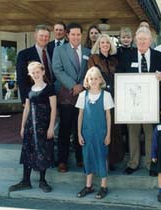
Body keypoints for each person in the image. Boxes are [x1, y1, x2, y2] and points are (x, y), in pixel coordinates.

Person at [121, 27, 161, 176]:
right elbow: (120, 77)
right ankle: (133, 163)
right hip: (132, 102)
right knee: (133, 132)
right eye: (139, 39)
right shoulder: (127, 56)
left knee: (150, 133)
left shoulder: (160, 57)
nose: (141, 42)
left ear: (150, 41)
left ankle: (150, 163)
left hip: (151, 102)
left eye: (144, 39)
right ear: (135, 40)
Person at [9, 62, 56, 193]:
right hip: (31, 126)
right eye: (33, 72)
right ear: (30, 74)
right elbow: (27, 109)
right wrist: (22, 126)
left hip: (43, 125)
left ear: (43, 72)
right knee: (28, 151)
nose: (36, 74)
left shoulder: (49, 88)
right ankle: (25, 181)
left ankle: (42, 180)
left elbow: (53, 109)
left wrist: (51, 127)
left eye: (37, 71)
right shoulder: (29, 90)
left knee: (43, 151)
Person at [52, 22, 91, 173]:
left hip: (82, 94)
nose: (76, 37)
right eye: (73, 34)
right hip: (67, 94)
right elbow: (57, 69)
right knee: (65, 129)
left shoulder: (87, 51)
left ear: (81, 35)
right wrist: (72, 85)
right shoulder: (59, 50)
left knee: (80, 128)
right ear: (67, 35)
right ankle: (62, 161)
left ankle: (81, 158)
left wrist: (81, 85)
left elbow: (90, 70)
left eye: (78, 34)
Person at [88, 34, 125, 170]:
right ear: (98, 44)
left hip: (115, 97)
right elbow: (92, 77)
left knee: (113, 129)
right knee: (101, 128)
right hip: (100, 96)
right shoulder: (93, 59)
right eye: (102, 42)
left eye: (107, 43)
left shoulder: (115, 60)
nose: (105, 45)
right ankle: (100, 159)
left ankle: (111, 160)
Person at [76, 67, 113, 199]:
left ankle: (104, 186)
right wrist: (79, 133)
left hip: (101, 133)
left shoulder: (106, 95)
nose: (94, 81)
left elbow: (108, 116)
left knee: (101, 157)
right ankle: (88, 185)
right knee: (88, 157)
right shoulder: (82, 95)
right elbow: (80, 115)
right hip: (87, 133)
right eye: (91, 79)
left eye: (96, 78)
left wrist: (108, 134)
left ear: (100, 80)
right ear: (87, 80)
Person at [16, 25, 53, 104]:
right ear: (35, 36)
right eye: (41, 36)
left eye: (47, 36)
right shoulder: (24, 54)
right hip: (35, 98)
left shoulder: (53, 52)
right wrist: (24, 100)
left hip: (53, 95)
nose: (44, 38)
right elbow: (21, 78)